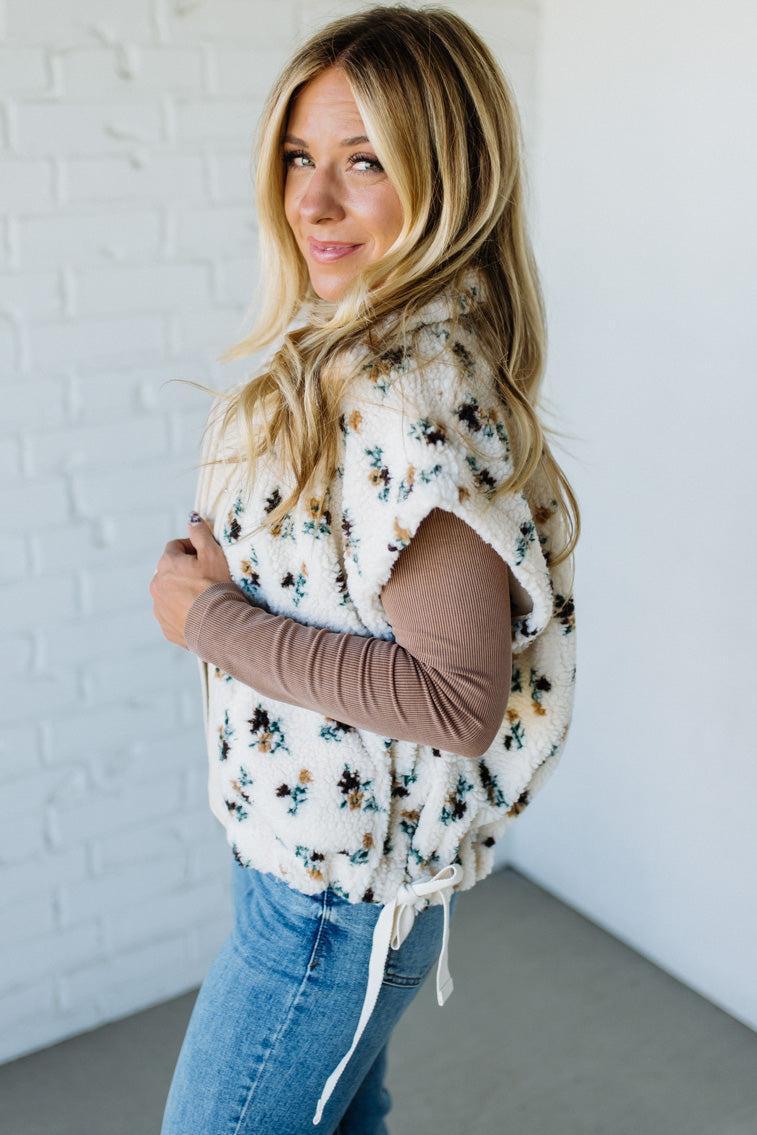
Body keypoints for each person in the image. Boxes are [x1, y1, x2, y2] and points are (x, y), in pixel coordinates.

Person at [149, 5, 579, 1133]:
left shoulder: (413, 392)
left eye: (364, 162)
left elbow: (455, 700)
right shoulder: (352, 349)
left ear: (450, 179)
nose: (313, 201)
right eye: (300, 155)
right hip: (304, 879)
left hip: (329, 914)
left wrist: (208, 619)